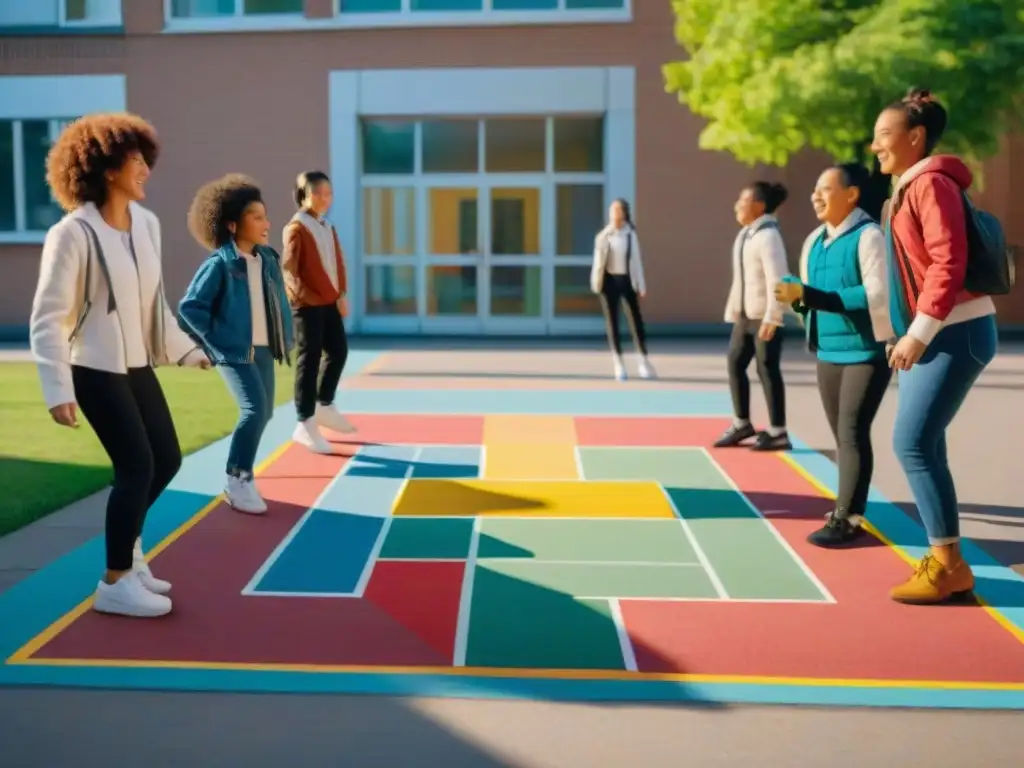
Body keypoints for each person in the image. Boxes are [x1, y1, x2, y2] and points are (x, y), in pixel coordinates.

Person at [29, 113, 210, 618]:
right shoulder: (73, 234)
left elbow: (156, 305)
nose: (146, 170)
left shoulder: (145, 226)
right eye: (136, 161)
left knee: (167, 460)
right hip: (94, 368)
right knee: (136, 467)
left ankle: (128, 551)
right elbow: (48, 317)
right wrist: (56, 387)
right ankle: (114, 582)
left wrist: (188, 350)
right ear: (108, 168)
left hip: (136, 366)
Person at [872, 88, 998, 604]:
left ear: (914, 137)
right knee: (925, 443)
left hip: (954, 331)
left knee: (912, 443)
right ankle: (946, 560)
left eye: (884, 135)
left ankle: (948, 566)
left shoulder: (931, 183)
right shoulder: (907, 187)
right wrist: (901, 335)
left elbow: (948, 262)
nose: (875, 144)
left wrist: (919, 335)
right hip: (936, 332)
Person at [775, 164, 894, 547]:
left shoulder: (869, 236)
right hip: (828, 351)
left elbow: (875, 294)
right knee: (842, 437)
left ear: (852, 194)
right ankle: (845, 509)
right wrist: (795, 296)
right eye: (814, 189)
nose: (815, 196)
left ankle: (848, 518)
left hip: (865, 351)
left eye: (825, 188)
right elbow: (807, 298)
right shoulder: (813, 241)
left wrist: (810, 296)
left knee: (852, 433)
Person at [178, 174, 294, 516]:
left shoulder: (268, 259)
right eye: (256, 217)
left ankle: (241, 476)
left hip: (263, 350)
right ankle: (238, 477)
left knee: (266, 411)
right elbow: (190, 308)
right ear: (232, 224)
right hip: (235, 352)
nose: (266, 223)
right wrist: (220, 342)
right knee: (254, 410)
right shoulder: (220, 264)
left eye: (265, 216)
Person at [281, 170, 355, 454]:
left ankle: (324, 404)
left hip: (329, 303)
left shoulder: (327, 226)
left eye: (328, 193)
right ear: (303, 194)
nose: (324, 198)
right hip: (308, 305)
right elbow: (288, 269)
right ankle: (304, 422)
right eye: (318, 192)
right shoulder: (297, 227)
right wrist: (302, 296)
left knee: (338, 351)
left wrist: (341, 295)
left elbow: (338, 263)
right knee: (308, 360)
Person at [715, 181, 792, 451]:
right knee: (735, 364)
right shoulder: (746, 234)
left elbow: (778, 277)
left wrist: (774, 316)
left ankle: (778, 431)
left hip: (764, 317)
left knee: (766, 369)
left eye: (742, 200)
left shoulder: (768, 235)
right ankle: (742, 423)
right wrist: (735, 311)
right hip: (746, 316)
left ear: (758, 206)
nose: (737, 205)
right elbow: (741, 279)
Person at [590, 198, 656, 381]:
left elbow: (636, 262)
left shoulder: (630, 235)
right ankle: (618, 362)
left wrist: (641, 285)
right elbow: (597, 263)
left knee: (635, 321)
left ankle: (643, 360)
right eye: (612, 210)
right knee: (612, 322)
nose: (614, 213)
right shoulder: (604, 236)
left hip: (626, 280)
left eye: (618, 210)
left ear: (624, 213)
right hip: (609, 282)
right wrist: (596, 283)